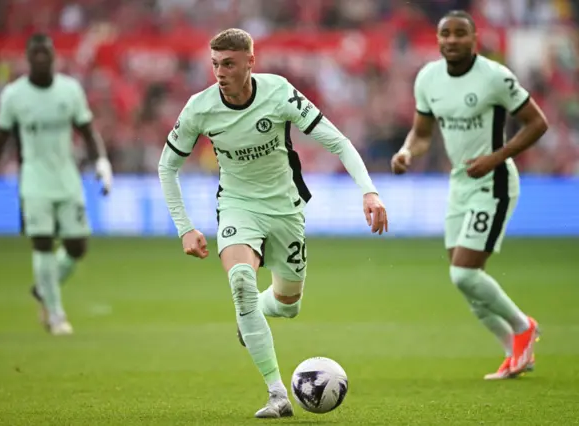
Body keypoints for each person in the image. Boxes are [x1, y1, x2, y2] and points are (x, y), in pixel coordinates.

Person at [158, 28, 388, 418]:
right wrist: (185, 227)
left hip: (286, 209)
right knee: (242, 282)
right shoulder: (199, 108)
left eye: (229, 63)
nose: (220, 72)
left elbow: (338, 142)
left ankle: (254, 314)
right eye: (215, 64)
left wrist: (369, 191)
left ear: (251, 61)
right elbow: (168, 167)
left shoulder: (279, 92)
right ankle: (277, 394)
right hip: (236, 207)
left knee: (288, 304)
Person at [391, 11, 548, 380]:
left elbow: (537, 122)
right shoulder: (428, 78)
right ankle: (514, 354)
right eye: (445, 33)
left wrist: (496, 157)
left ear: (474, 38)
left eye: (460, 33)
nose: (452, 40)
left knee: (464, 273)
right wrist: (407, 151)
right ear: (438, 38)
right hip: (459, 185)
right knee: (466, 281)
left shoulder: (495, 77)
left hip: (492, 183)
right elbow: (423, 132)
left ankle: (523, 326)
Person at [0, 33, 113, 336]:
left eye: (45, 53)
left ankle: (43, 289)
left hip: (66, 178)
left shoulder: (69, 90)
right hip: (33, 181)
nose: (40, 58)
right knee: (42, 242)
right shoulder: (14, 95)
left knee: (77, 246)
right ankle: (55, 314)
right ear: (28, 58)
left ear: (53, 56)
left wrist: (102, 164)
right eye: (35, 53)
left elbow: (88, 131)